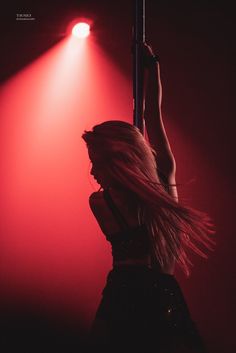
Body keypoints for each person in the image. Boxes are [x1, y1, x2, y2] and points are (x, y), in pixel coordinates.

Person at [82, 43, 215, 353]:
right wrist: (152, 66)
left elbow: (148, 115)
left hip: (127, 294)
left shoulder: (105, 202)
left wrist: (152, 69)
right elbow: (151, 114)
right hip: (153, 293)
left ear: (119, 160)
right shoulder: (156, 197)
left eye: (97, 161)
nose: (91, 171)